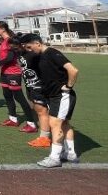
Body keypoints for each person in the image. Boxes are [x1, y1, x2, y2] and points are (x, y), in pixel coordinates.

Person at [21, 34, 80, 167]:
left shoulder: (52, 53)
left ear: (38, 43)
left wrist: (68, 86)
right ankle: (70, 154)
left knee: (54, 124)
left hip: (62, 95)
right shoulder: (41, 56)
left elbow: (73, 70)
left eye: (30, 47)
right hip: (54, 96)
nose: (29, 50)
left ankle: (54, 158)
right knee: (64, 124)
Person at [0, 22, 37, 132]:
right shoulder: (3, 41)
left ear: (3, 29)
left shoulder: (11, 40)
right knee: (7, 96)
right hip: (4, 73)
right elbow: (2, 56)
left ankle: (31, 124)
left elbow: (10, 58)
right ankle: (13, 119)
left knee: (19, 98)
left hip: (13, 73)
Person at [17, 34, 53, 148]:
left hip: (38, 86)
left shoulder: (34, 54)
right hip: (30, 86)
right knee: (38, 111)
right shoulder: (21, 53)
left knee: (42, 112)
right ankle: (44, 134)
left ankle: (45, 138)